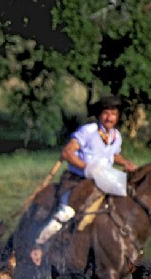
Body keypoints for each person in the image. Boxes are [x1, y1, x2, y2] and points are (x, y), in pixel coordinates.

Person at [35, 95, 138, 245]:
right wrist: (87, 167)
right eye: (106, 114)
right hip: (79, 179)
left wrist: (125, 163)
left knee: (128, 197)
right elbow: (67, 152)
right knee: (66, 212)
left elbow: (112, 154)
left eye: (114, 114)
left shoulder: (116, 136)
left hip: (103, 179)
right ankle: (40, 244)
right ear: (99, 115)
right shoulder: (88, 131)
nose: (110, 118)